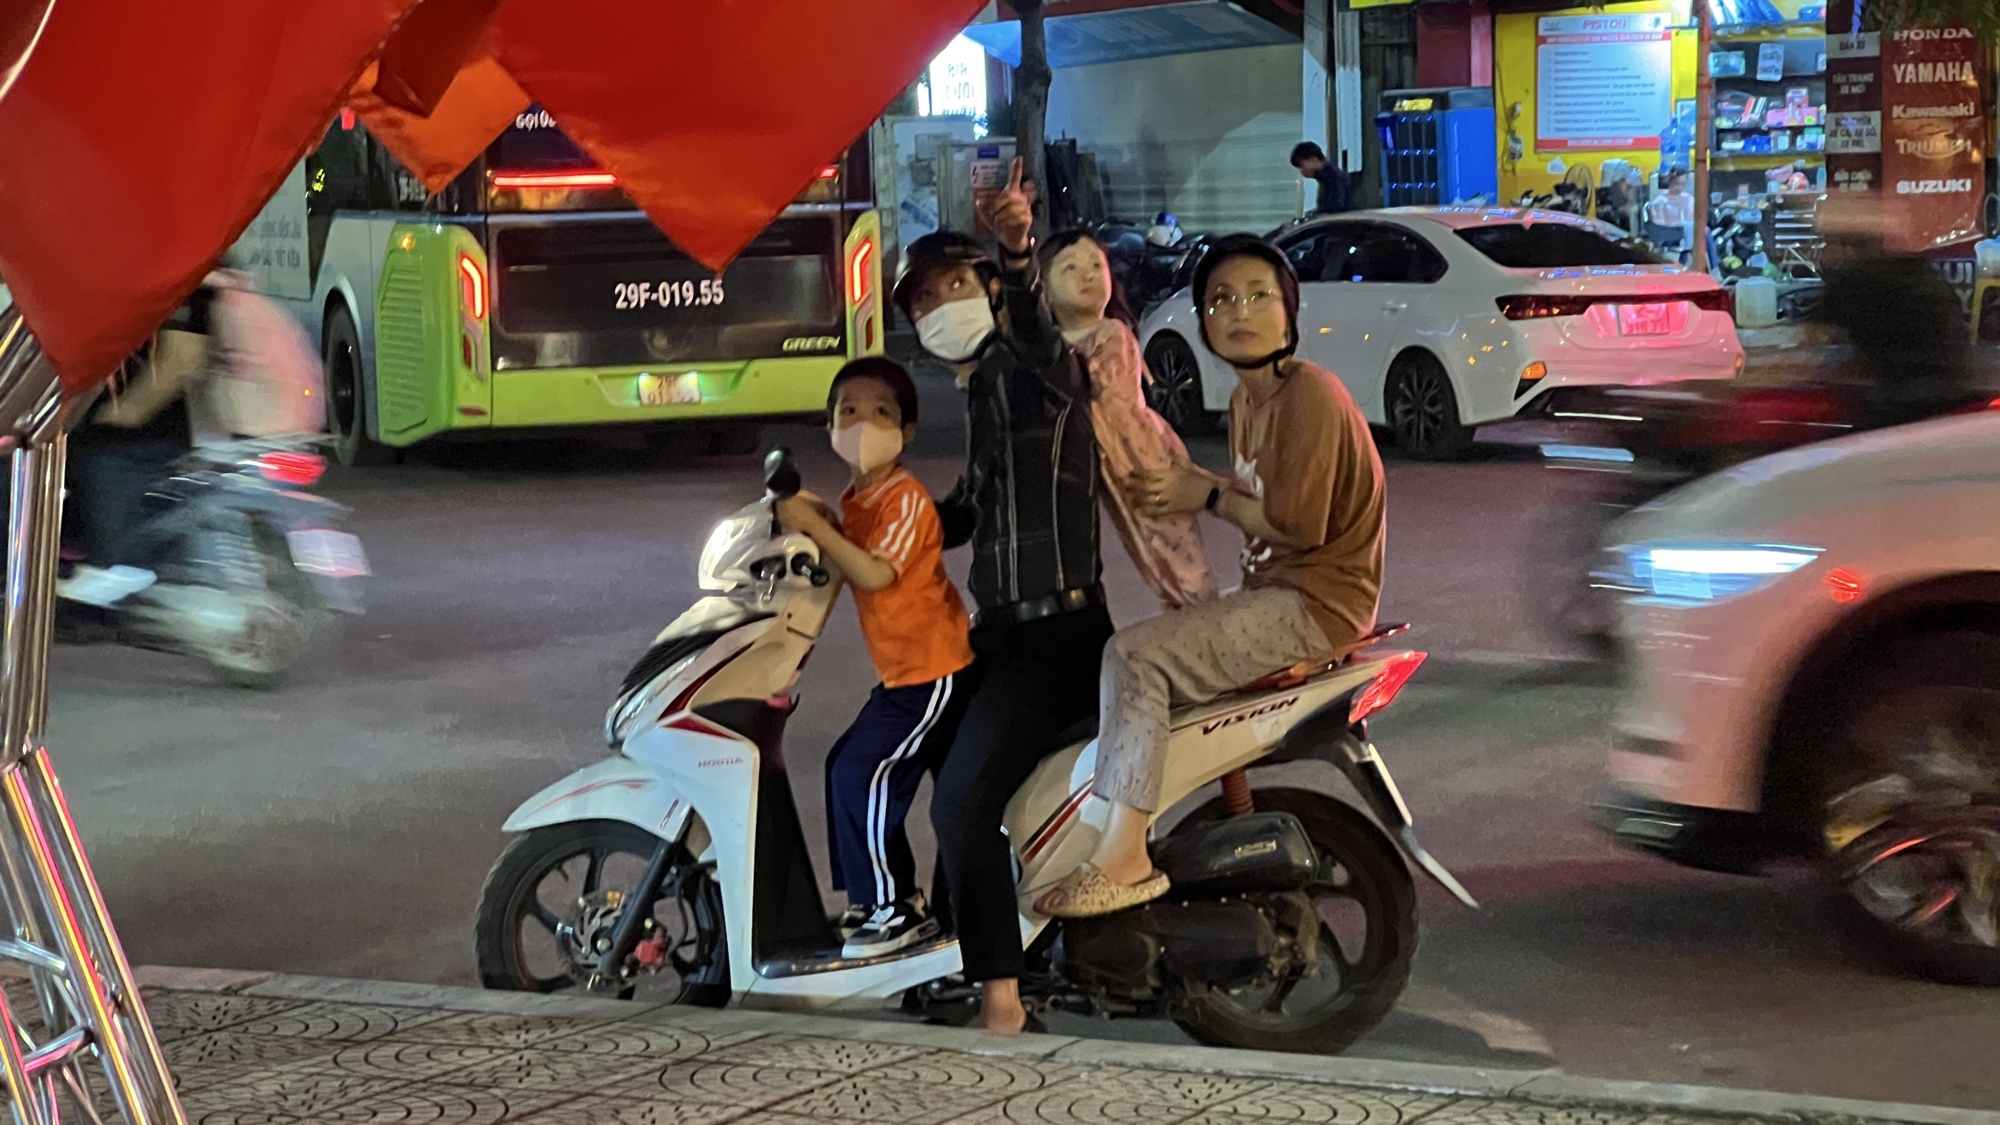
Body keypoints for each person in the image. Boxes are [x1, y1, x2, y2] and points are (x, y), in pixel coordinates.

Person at [1033, 234, 1387, 918]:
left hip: (1313, 607)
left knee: (1133, 657)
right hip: (1276, 595)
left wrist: (1207, 494)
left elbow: (1300, 525)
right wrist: (1192, 482)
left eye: (1258, 295)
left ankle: (1123, 859)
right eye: (1220, 300)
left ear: (1289, 312)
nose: (1239, 311)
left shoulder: (1309, 394)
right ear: (1201, 323)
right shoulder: (1249, 401)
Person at [897, 159, 1108, 1034]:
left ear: (989, 291)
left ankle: (1002, 1000)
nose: (939, 306)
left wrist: (1019, 249)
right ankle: (953, 941)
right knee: (927, 750)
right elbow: (967, 510)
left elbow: (1042, 341)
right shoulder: (983, 393)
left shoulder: (1029, 372)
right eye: (923, 299)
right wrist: (854, 529)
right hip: (1004, 637)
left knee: (962, 801)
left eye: (956, 285)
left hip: (1057, 635)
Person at [774, 357, 976, 958]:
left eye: (881, 413)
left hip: (935, 672)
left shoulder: (904, 498)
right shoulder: (858, 498)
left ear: (906, 432)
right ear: (830, 426)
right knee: (844, 764)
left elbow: (874, 573)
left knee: (863, 772)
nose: (863, 424)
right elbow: (839, 566)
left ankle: (897, 908)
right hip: (903, 675)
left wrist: (820, 527)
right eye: (849, 412)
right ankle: (870, 899)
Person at [1041, 228, 1216, 610]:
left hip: (1139, 454)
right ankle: (1183, 607)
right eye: (1070, 268)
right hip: (1104, 456)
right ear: (1044, 291)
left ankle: (1200, 607)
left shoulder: (1112, 333)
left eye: (1096, 265)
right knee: (1142, 546)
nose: (1087, 274)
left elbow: (1105, 394)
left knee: (1170, 542)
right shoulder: (1049, 344)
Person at [59, 273, 229, 607]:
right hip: (132, 432)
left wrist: (113, 417)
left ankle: (114, 576)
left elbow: (182, 358)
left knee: (96, 460)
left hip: (140, 438)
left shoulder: (180, 269)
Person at [1289, 142, 1352, 216]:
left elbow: (1333, 209)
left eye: (1302, 165)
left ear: (1313, 159)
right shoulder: (1327, 176)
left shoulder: (1333, 177)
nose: (1302, 171)